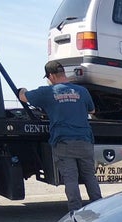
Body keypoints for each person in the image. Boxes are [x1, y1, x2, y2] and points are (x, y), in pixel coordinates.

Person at [18, 61, 102, 211]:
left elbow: (23, 97)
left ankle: (75, 212)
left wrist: (22, 89)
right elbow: (92, 110)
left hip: (63, 142)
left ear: (50, 76)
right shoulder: (82, 91)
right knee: (90, 176)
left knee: (71, 180)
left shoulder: (48, 92)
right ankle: (99, 209)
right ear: (63, 73)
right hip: (84, 140)